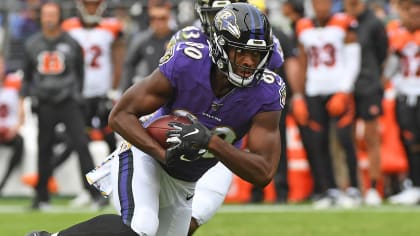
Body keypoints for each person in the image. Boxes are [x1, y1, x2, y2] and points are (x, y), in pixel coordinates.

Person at [26, 3, 285, 236]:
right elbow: (119, 115)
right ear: (219, 47)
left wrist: (211, 142)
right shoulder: (187, 62)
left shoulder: (268, 91)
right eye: (240, 52)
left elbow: (263, 172)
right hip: (146, 156)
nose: (250, 62)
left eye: (257, 54)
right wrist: (161, 153)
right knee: (142, 228)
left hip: (186, 180)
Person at [169, 0, 284, 233]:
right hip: (174, 138)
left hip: (221, 149)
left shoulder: (262, 43)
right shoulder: (187, 40)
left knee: (188, 223)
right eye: (216, 16)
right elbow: (162, 89)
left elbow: (261, 95)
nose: (224, 23)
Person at [20, 1, 104, 210]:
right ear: (41, 17)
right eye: (46, 14)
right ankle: (41, 197)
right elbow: (27, 75)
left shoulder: (71, 42)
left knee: (81, 145)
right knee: (44, 149)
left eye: (53, 14)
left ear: (59, 17)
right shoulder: (32, 44)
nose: (49, 18)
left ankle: (94, 194)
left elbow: (80, 72)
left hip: (68, 101)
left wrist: (77, 96)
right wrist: (31, 97)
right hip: (45, 102)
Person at [293, 0, 361, 208]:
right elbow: (303, 61)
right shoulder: (303, 25)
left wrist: (344, 90)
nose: (320, 6)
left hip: (338, 88)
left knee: (344, 139)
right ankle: (328, 189)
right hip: (314, 89)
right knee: (317, 141)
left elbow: (353, 58)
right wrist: (298, 95)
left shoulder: (344, 22)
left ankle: (353, 189)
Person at [61, 0, 124, 206]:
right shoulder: (69, 28)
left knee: (110, 141)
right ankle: (87, 189)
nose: (90, 8)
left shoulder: (110, 28)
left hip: (102, 94)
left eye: (94, 4)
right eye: (87, 4)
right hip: (79, 95)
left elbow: (118, 59)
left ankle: (113, 186)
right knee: (81, 142)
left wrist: (114, 89)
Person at [344, 0, 388, 206]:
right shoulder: (343, 21)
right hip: (346, 88)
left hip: (368, 86)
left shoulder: (374, 23)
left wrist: (376, 79)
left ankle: (373, 187)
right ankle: (354, 187)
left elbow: (383, 55)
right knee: (347, 140)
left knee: (371, 138)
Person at [385, 0, 420, 205]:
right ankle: (415, 185)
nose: (414, 15)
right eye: (410, 11)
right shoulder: (396, 33)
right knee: (410, 142)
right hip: (406, 93)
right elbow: (389, 69)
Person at [120, 0, 176, 91]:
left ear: (169, 17)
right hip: (152, 90)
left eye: (162, 18)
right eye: (153, 18)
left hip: (173, 90)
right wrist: (125, 91)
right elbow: (129, 64)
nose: (158, 22)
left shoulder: (177, 39)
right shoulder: (143, 40)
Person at [0, 55, 25, 195]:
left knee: (20, 143)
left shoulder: (14, 83)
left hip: (9, 129)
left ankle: (3, 183)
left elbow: (21, 109)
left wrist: (16, 126)